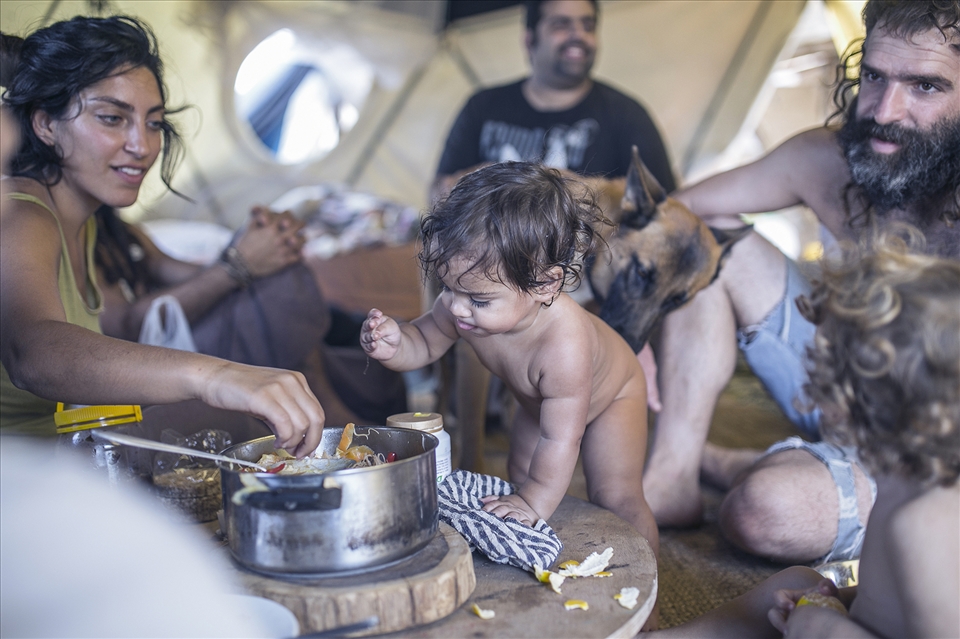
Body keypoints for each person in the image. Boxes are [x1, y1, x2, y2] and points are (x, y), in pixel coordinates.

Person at [641, 0, 959, 565]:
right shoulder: (825, 158)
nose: (886, 110)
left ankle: (744, 463)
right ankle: (673, 477)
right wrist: (637, 330)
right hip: (832, 384)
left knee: (764, 512)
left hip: (931, 445)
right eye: (875, 77)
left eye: (925, 87)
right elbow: (675, 212)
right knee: (704, 233)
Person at [0, 16, 323, 456]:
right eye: (112, 118)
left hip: (68, 459)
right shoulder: (22, 212)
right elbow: (33, 352)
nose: (143, 145)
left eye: (153, 123)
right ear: (45, 124)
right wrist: (215, 376)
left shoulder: (89, 220)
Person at [649, 229, 959, 639]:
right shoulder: (901, 482)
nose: (806, 400)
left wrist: (824, 627)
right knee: (793, 579)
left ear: (872, 401)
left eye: (823, 384)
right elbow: (895, 597)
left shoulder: (925, 523)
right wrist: (841, 600)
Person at [361, 162, 659, 558]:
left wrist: (535, 501)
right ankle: (530, 548)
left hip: (611, 398)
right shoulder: (462, 302)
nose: (458, 309)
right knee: (520, 478)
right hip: (540, 404)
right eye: (449, 289)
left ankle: (649, 594)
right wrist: (394, 343)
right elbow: (424, 343)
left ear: (545, 284)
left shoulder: (563, 345)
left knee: (615, 495)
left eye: (479, 300)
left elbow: (562, 437)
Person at [432, 0, 676, 471]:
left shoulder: (627, 115)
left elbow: (661, 209)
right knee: (468, 291)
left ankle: (643, 440)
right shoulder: (484, 106)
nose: (578, 36)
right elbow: (440, 191)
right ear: (529, 39)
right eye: (562, 24)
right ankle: (469, 455)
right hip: (490, 260)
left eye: (588, 25)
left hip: (585, 268)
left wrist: (537, 181)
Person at [94, 203, 362, 428]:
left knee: (276, 276)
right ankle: (327, 412)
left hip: (180, 339)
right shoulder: (64, 229)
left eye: (151, 134)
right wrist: (237, 263)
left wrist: (262, 246)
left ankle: (322, 405)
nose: (139, 146)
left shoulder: (116, 229)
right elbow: (126, 326)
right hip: (146, 367)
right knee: (276, 290)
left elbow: (185, 277)